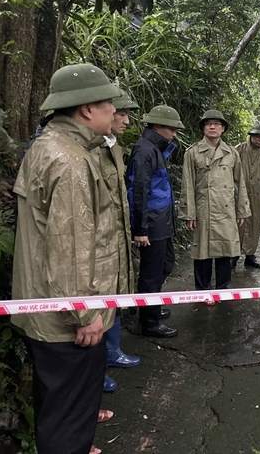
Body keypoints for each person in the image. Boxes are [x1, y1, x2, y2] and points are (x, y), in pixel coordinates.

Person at [12, 63, 120, 454]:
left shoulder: (45, 146)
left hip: (44, 307)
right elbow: (69, 246)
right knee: (69, 418)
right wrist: (85, 311)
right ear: (87, 109)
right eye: (109, 104)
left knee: (57, 406)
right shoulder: (71, 161)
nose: (114, 112)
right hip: (67, 320)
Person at [126, 105, 183, 338]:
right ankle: (149, 323)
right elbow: (138, 190)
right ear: (158, 126)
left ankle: (152, 307)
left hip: (162, 221)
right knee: (151, 273)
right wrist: (140, 228)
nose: (174, 134)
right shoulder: (144, 150)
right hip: (151, 223)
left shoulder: (156, 149)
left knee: (166, 263)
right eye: (172, 129)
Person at [178, 110, 251, 293]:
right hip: (204, 208)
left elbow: (240, 183)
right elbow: (188, 185)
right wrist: (189, 213)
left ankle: (223, 289)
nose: (212, 127)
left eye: (217, 124)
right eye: (208, 123)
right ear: (203, 128)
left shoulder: (231, 153)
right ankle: (203, 290)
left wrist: (241, 210)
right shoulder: (193, 153)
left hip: (226, 209)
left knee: (225, 250)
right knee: (202, 251)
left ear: (223, 128)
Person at [100, 89, 142, 391]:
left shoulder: (114, 146)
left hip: (115, 236)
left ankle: (112, 351)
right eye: (121, 114)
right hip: (98, 242)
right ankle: (94, 369)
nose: (126, 121)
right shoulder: (87, 149)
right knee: (97, 302)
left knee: (113, 296)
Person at [231, 122, 260, 269]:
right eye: (257, 136)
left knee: (255, 225)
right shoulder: (239, 150)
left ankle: (250, 255)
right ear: (251, 136)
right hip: (239, 195)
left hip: (258, 195)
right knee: (238, 224)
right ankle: (234, 255)